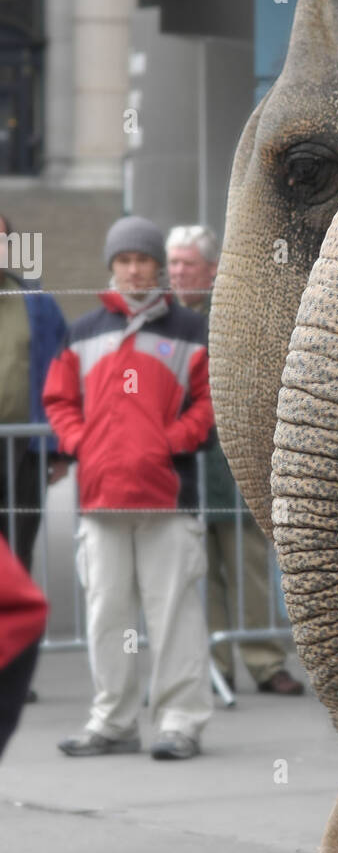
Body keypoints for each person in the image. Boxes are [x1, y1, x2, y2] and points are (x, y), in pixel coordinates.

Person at [44, 216, 215, 758]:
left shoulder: (190, 331)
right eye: (124, 260)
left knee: (174, 615)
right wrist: (82, 442)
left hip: (169, 497)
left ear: (157, 267)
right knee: (106, 614)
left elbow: (213, 406)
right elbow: (58, 401)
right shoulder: (83, 331)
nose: (134, 269)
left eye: (143, 260)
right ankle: (113, 722)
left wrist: (170, 441)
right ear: (112, 267)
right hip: (101, 498)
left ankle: (180, 722)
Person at [166, 225, 303, 696]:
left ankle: (265, 662)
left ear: (212, 268)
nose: (178, 273)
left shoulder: (238, 316)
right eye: (174, 264)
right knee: (199, 570)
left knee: (248, 567)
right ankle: (215, 663)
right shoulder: (162, 321)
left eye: (187, 264)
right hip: (183, 468)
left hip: (234, 462)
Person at [0, 213, 67, 709]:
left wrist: (60, 445)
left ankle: (9, 673)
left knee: (15, 562)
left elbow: (61, 374)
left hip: (22, 450)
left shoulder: (35, 303)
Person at [0, 535, 48, 757]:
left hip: (157, 515)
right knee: (117, 618)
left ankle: (169, 717)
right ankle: (116, 715)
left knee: (130, 629)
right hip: (104, 514)